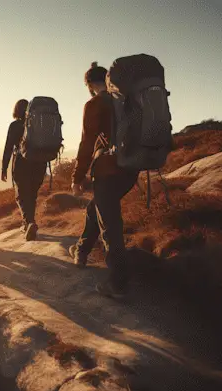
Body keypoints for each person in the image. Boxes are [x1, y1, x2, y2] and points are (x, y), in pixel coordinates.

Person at [69, 62, 139, 299]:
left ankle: (118, 283)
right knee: (96, 207)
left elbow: (86, 143)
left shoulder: (95, 103)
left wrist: (77, 178)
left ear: (89, 85)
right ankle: (81, 251)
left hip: (108, 170)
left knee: (109, 223)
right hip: (131, 169)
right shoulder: (126, 100)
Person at [1, 99, 47, 241]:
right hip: (40, 163)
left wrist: (4, 168)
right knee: (32, 194)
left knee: (21, 195)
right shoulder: (39, 124)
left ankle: (28, 223)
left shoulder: (15, 125)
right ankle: (29, 223)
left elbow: (8, 147)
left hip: (22, 163)